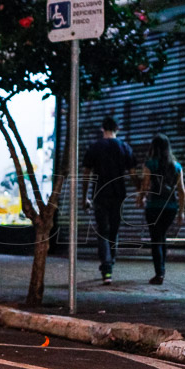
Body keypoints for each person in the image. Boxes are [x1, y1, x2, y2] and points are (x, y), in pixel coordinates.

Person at [82, 116, 135, 284]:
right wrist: (141, 191)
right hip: (119, 194)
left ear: (102, 129)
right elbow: (133, 173)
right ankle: (110, 262)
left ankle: (107, 268)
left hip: (100, 194)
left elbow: (86, 174)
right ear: (117, 129)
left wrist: (84, 196)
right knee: (114, 230)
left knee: (102, 231)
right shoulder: (124, 147)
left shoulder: (95, 147)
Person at [136, 134, 185, 285]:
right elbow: (182, 191)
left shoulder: (150, 164)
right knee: (162, 237)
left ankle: (159, 273)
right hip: (170, 208)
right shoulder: (176, 167)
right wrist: (181, 212)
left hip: (154, 207)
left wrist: (140, 198)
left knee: (156, 240)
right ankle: (162, 270)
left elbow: (145, 187)